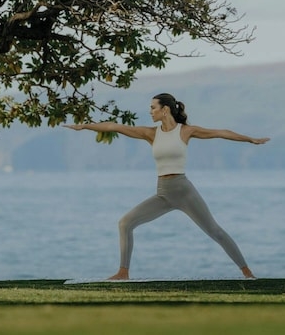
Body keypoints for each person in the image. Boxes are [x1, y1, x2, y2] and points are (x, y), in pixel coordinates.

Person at [64, 92, 270, 280]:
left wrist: (250, 139)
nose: (150, 111)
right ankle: (123, 272)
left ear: (165, 110)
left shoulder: (186, 131)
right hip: (162, 193)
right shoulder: (151, 134)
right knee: (125, 223)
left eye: (153, 107)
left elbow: (221, 132)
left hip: (184, 191)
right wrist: (84, 126)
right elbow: (114, 126)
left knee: (215, 231)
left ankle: (247, 273)